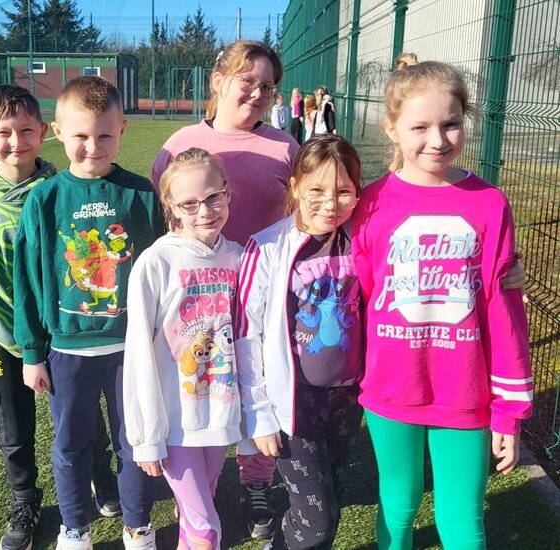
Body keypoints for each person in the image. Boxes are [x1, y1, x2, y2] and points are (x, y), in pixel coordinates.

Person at [350, 53, 533, 549]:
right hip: (390, 389)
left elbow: (503, 313)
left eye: (450, 124)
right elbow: (360, 295)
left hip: (465, 392)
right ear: (392, 129)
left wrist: (509, 410)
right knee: (398, 503)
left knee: (463, 519)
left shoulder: (490, 204)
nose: (437, 140)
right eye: (420, 127)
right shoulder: (369, 203)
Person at [0, 84, 120, 550]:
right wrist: (22, 344)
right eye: (4, 132)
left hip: (61, 334)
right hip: (4, 339)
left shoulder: (60, 190)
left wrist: (49, 337)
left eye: (26, 130)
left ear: (44, 132)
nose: (16, 141)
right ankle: (25, 500)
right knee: (14, 426)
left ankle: (100, 475)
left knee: (84, 418)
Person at [152, 40, 300, 539]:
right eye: (247, 81)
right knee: (205, 386)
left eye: (267, 86)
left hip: (260, 296)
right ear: (218, 81)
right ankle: (201, 488)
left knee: (260, 384)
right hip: (199, 301)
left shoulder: (285, 147)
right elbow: (166, 219)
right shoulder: (179, 144)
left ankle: (256, 481)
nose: (257, 93)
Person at [13, 76, 164, 550]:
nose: (93, 147)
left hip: (131, 349)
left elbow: (164, 271)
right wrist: (32, 353)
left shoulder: (141, 194)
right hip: (67, 350)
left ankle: (137, 525)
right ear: (57, 131)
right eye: (80, 135)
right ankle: (74, 527)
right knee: (70, 445)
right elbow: (28, 278)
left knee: (134, 442)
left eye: (104, 135)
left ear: (122, 130)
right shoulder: (45, 199)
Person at [236, 135, 365, 549]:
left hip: (348, 400)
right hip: (293, 406)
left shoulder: (365, 240)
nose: (330, 203)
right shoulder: (266, 246)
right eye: (317, 190)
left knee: (331, 506)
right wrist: (259, 413)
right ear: (294, 187)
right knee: (316, 520)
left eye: (343, 191)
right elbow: (246, 334)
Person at [124, 148, 243, 550]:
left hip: (220, 416)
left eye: (213, 197)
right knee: (207, 530)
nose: (204, 211)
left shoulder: (240, 257)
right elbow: (138, 353)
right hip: (176, 422)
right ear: (171, 207)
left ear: (227, 193)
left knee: (197, 518)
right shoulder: (156, 262)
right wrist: (146, 437)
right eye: (189, 203)